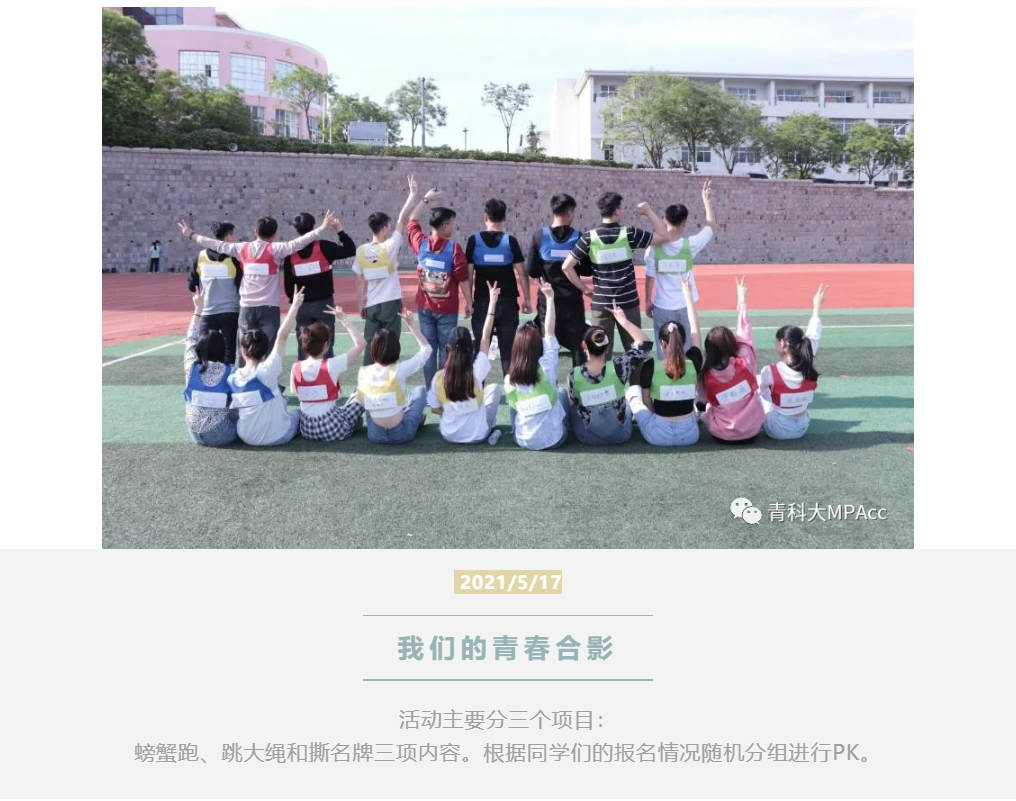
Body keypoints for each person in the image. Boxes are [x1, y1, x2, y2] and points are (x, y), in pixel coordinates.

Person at [178, 210, 337, 367]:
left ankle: (241, 377)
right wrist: (321, 228)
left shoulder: (242, 248)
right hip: (269, 308)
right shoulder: (276, 249)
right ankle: (269, 380)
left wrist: (192, 234)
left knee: (245, 346)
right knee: (270, 349)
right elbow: (300, 242)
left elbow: (216, 244)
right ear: (274, 234)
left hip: (247, 307)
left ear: (255, 231)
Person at [559, 192, 669, 357]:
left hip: (601, 304)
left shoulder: (589, 238)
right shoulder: (629, 234)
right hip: (628, 303)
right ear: (617, 211)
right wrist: (648, 212)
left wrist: (585, 289)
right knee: (636, 353)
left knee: (599, 356)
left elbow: (566, 267)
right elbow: (664, 236)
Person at [404, 181, 472, 388]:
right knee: (446, 350)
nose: (454, 226)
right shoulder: (454, 249)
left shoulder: (420, 243)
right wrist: (470, 302)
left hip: (425, 309)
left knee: (428, 350)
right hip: (447, 310)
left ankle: (430, 390)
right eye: (452, 223)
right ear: (444, 226)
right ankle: (443, 390)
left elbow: (412, 220)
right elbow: (462, 278)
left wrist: (425, 199)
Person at [628, 275, 703, 447]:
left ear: (662, 343)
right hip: (690, 435)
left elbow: (647, 403)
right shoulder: (694, 362)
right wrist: (688, 296)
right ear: (683, 340)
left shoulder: (650, 366)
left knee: (633, 392)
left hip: (658, 435)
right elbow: (695, 328)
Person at [643, 180, 717, 356]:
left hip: (662, 307)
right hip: (685, 306)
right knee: (686, 351)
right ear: (684, 223)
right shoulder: (691, 245)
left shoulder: (653, 248)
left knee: (664, 352)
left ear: (664, 220)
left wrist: (647, 301)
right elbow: (710, 226)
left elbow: (649, 276)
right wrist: (707, 202)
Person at [226, 287, 307, 447]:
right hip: (279, 436)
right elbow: (282, 336)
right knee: (299, 412)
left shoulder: (232, 378)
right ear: (265, 351)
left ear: (243, 351)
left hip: (247, 438)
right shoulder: (268, 370)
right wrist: (295, 305)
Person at [428, 281, 505, 444]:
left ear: (448, 350)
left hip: (449, 435)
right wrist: (492, 302)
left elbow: (434, 408)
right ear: (471, 349)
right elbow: (485, 337)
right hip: (478, 435)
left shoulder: (439, 377)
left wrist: (451, 411)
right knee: (495, 389)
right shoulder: (476, 371)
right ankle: (489, 424)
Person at [352, 177, 418, 366]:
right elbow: (402, 219)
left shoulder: (361, 250)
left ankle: (366, 377)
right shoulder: (390, 246)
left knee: (370, 345)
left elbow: (359, 281)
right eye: (388, 225)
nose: (390, 227)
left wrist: (360, 304)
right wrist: (412, 194)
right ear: (383, 228)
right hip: (390, 304)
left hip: (372, 305)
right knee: (391, 343)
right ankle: (390, 377)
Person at [565, 302, 651, 445]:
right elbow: (645, 343)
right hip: (621, 435)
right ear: (608, 346)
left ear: (584, 345)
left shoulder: (574, 375)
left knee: (570, 402)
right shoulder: (619, 366)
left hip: (587, 438)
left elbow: (573, 402)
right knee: (632, 393)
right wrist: (622, 320)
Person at [526, 193, 592, 366]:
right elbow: (587, 269)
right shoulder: (579, 237)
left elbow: (531, 270)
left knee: (547, 344)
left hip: (548, 302)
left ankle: (547, 381)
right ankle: (578, 383)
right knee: (577, 347)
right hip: (572, 301)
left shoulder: (539, 236)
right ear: (569, 213)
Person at [465, 198, 530, 374]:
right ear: (504, 218)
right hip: (507, 304)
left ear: (485, 216)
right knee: (508, 353)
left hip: (482, 304)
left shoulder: (473, 241)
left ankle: (477, 389)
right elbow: (522, 273)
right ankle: (511, 390)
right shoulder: (510, 241)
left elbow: (468, 275)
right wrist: (527, 300)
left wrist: (469, 301)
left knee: (480, 351)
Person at [697, 277, 765, 444]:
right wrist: (742, 299)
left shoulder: (706, 375)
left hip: (722, 435)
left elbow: (703, 399)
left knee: (708, 408)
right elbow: (745, 331)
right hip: (752, 432)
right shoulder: (746, 358)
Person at [504, 280, 569, 450]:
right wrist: (550, 298)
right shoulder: (547, 364)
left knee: (513, 403)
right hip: (554, 439)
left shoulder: (509, 378)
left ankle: (516, 430)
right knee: (562, 392)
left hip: (523, 440)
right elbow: (549, 331)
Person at [282, 212, 356, 360]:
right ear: (313, 227)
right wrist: (339, 230)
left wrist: (294, 302)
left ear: (296, 230)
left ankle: (302, 373)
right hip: (324, 304)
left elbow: (288, 284)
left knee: (304, 344)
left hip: (302, 305)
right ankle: (326, 372)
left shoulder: (290, 253)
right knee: (325, 343)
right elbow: (350, 250)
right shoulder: (324, 247)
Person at [356, 309, 433, 445]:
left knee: (364, 396)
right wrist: (411, 325)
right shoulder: (399, 369)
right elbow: (427, 350)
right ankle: (411, 418)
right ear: (396, 348)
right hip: (401, 434)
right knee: (420, 391)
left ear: (373, 349)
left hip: (374, 434)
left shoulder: (364, 372)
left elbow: (362, 402)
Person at [760, 284, 826, 440]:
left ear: (782, 343)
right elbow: (814, 335)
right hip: (802, 426)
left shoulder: (770, 371)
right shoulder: (808, 360)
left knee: (758, 395)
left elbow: (758, 391)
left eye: (776, 341)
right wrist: (817, 307)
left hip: (777, 429)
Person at [290, 308, 367, 442]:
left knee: (342, 410)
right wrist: (343, 318)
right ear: (326, 345)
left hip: (307, 430)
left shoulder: (295, 368)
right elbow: (361, 344)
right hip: (333, 429)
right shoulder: (331, 365)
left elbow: (296, 393)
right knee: (364, 389)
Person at [183, 287, 237, 447]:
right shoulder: (230, 371)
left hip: (193, 433)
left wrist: (198, 309)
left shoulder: (191, 366)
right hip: (221, 435)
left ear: (199, 348)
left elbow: (190, 339)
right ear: (222, 350)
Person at [187, 221, 242, 365]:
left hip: (207, 312)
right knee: (229, 351)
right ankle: (227, 376)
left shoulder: (200, 257)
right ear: (228, 236)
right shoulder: (234, 258)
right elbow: (241, 283)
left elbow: (191, 284)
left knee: (204, 349)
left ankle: (206, 375)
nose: (234, 238)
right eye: (233, 234)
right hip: (231, 311)